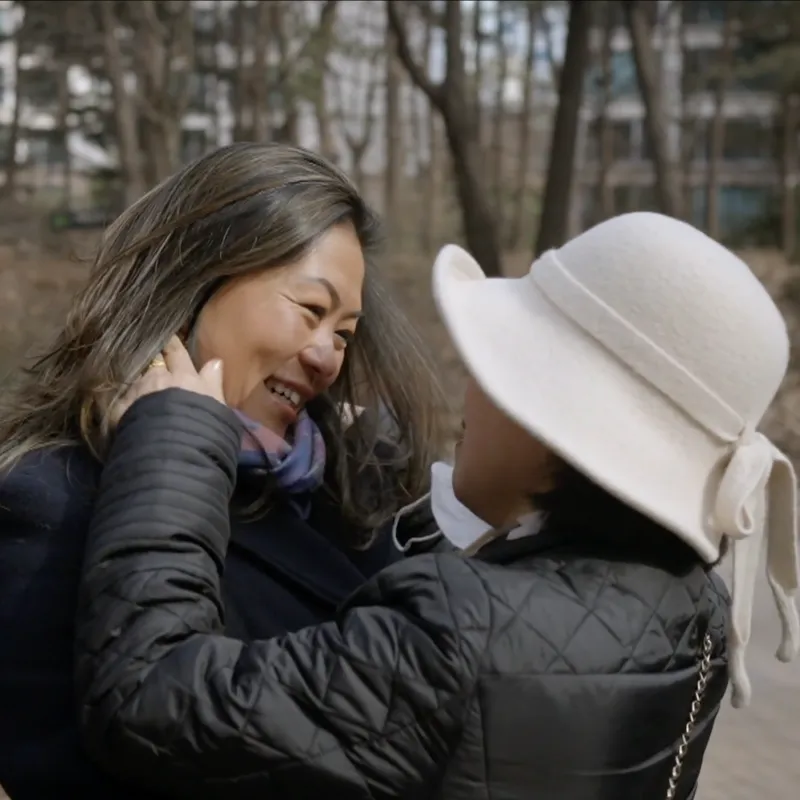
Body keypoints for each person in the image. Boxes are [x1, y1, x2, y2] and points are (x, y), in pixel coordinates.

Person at [74, 212, 799, 800]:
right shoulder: (688, 604)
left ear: (550, 417)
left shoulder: (457, 629)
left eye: (497, 366)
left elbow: (147, 698)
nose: (469, 395)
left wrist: (174, 442)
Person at [0, 143, 446, 800]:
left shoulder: (351, 503)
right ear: (197, 281)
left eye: (345, 333)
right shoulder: (53, 502)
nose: (327, 357)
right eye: (310, 310)